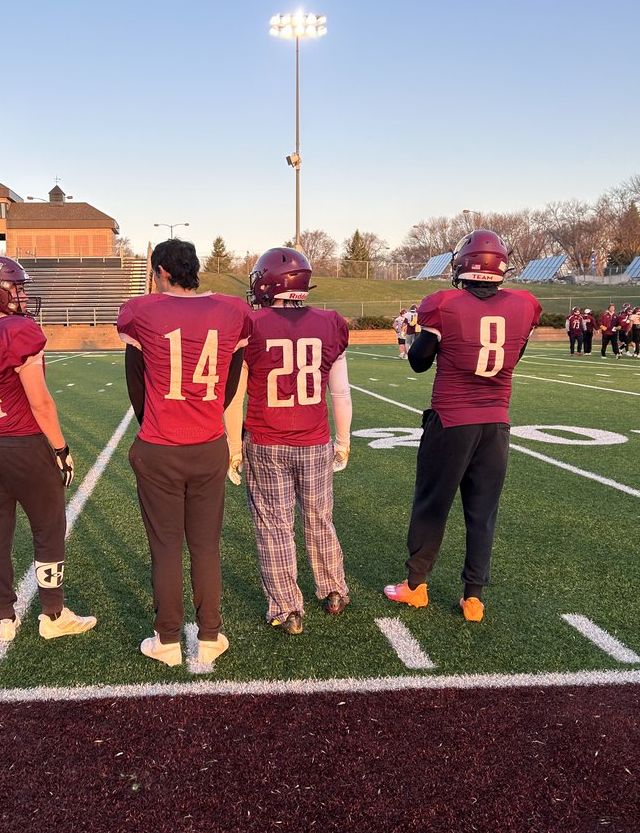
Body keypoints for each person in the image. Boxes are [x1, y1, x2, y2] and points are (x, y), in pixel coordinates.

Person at [383, 229, 541, 622]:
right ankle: (473, 598)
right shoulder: (524, 305)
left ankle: (416, 587)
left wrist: (415, 333)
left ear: (462, 265)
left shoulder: (444, 303)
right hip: (496, 422)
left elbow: (419, 361)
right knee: (482, 511)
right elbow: (514, 357)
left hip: (452, 420)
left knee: (432, 503)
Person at [0, 255, 96, 642]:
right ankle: (53, 613)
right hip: (21, 443)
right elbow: (41, 402)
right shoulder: (17, 332)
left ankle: (5, 616)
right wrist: (60, 449)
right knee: (48, 525)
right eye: (16, 287)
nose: (22, 295)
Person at [117, 239, 252, 667]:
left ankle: (169, 640)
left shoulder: (142, 311)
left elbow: (134, 379)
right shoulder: (232, 311)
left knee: (166, 547)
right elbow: (232, 377)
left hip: (160, 445)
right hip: (209, 444)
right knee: (206, 545)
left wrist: (150, 424)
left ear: (160, 271)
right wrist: (211, 411)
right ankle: (210, 635)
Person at [224, 247, 352, 635]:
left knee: (274, 526)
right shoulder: (331, 323)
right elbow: (341, 393)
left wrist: (232, 447)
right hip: (315, 441)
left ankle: (287, 608)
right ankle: (333, 589)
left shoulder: (252, 324)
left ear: (266, 283)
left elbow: (235, 396)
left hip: (265, 440)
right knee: (319, 519)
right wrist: (343, 440)